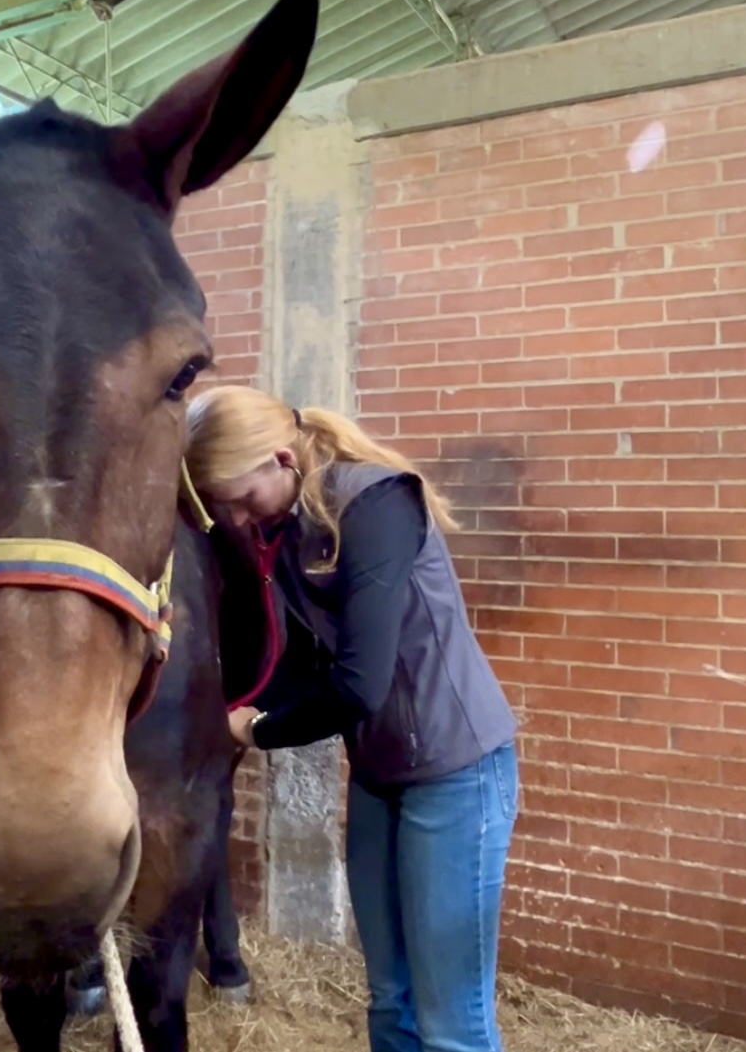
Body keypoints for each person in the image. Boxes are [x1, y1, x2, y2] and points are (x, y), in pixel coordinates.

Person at [184, 384, 520, 1052]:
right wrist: (209, 709)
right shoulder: (285, 531)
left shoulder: (375, 503)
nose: (238, 517)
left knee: (450, 1017)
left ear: (281, 459)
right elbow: (299, 663)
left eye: (239, 498)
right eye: (221, 507)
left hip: (456, 773)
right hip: (378, 772)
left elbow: (358, 685)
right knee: (388, 996)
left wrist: (256, 729)